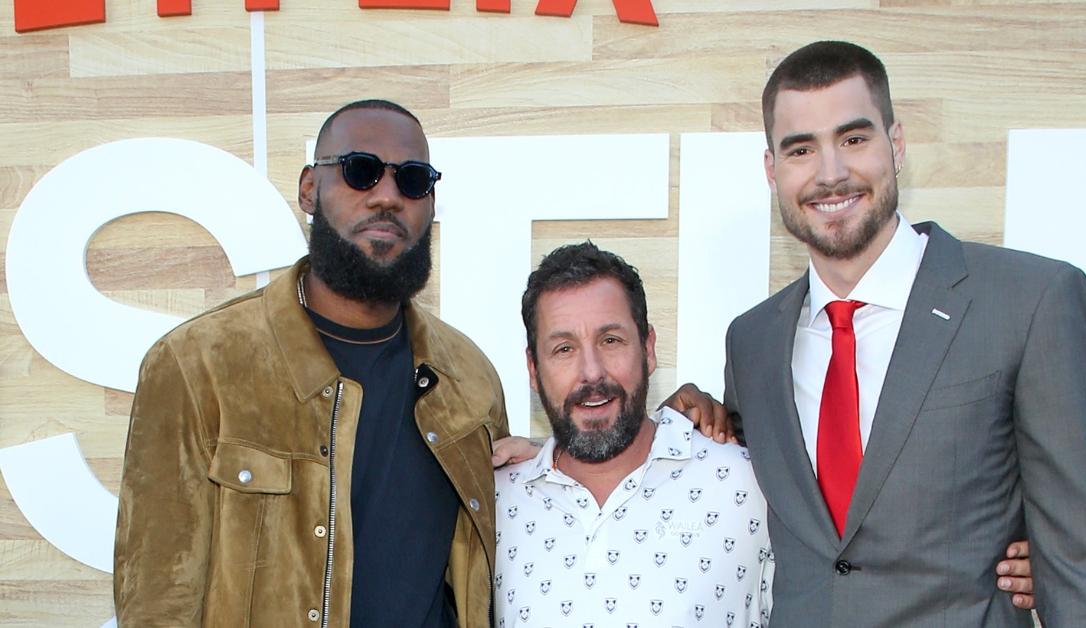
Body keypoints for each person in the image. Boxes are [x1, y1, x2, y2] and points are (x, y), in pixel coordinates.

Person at [706, 41, 1086, 625]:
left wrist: (1052, 567)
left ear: (897, 144)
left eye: (854, 139)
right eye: (801, 149)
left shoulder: (1030, 303)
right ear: (772, 170)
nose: (831, 173)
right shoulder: (751, 342)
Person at [113, 100, 507, 627]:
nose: (388, 196)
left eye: (413, 181)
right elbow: (157, 602)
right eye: (360, 171)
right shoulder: (197, 364)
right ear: (309, 189)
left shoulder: (470, 380)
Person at [494, 242, 773, 627]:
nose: (591, 373)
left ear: (648, 348)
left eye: (611, 340)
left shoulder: (749, 483)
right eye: (563, 349)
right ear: (533, 368)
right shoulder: (493, 504)